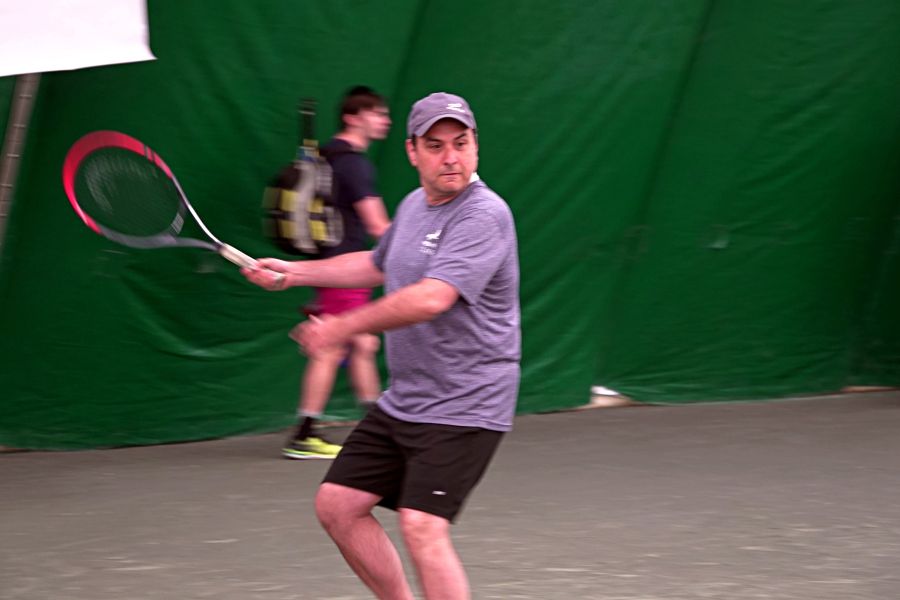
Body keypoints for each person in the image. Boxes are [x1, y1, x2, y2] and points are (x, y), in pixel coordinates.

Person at [244, 92, 520, 599]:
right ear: (413, 151)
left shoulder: (484, 215)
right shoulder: (415, 205)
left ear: (476, 146)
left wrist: (340, 328)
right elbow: (376, 265)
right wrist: (294, 273)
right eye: (435, 146)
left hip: (467, 400)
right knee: (338, 505)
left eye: (461, 143)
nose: (451, 157)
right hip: (409, 398)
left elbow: (433, 297)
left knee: (422, 525)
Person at [283, 85, 392, 460]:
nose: (385, 120)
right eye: (377, 113)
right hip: (347, 268)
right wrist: (415, 251)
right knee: (332, 347)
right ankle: (305, 434)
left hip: (330, 263)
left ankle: (375, 426)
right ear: (352, 117)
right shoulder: (354, 164)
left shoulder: (327, 158)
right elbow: (378, 226)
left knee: (363, 343)